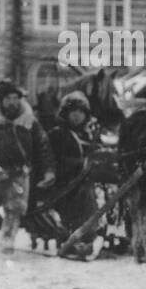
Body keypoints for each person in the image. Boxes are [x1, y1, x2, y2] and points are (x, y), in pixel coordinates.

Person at [0, 80, 56, 255]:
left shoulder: (30, 122)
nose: (12, 102)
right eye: (8, 98)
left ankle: (8, 238)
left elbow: (43, 146)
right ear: (1, 101)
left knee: (14, 208)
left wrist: (48, 171)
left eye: (15, 98)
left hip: (19, 172)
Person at [45, 90, 102, 258]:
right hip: (64, 183)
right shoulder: (57, 134)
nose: (77, 116)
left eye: (80, 112)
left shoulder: (90, 134)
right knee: (85, 194)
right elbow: (51, 159)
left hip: (88, 179)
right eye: (73, 112)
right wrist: (80, 165)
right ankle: (83, 237)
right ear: (66, 114)